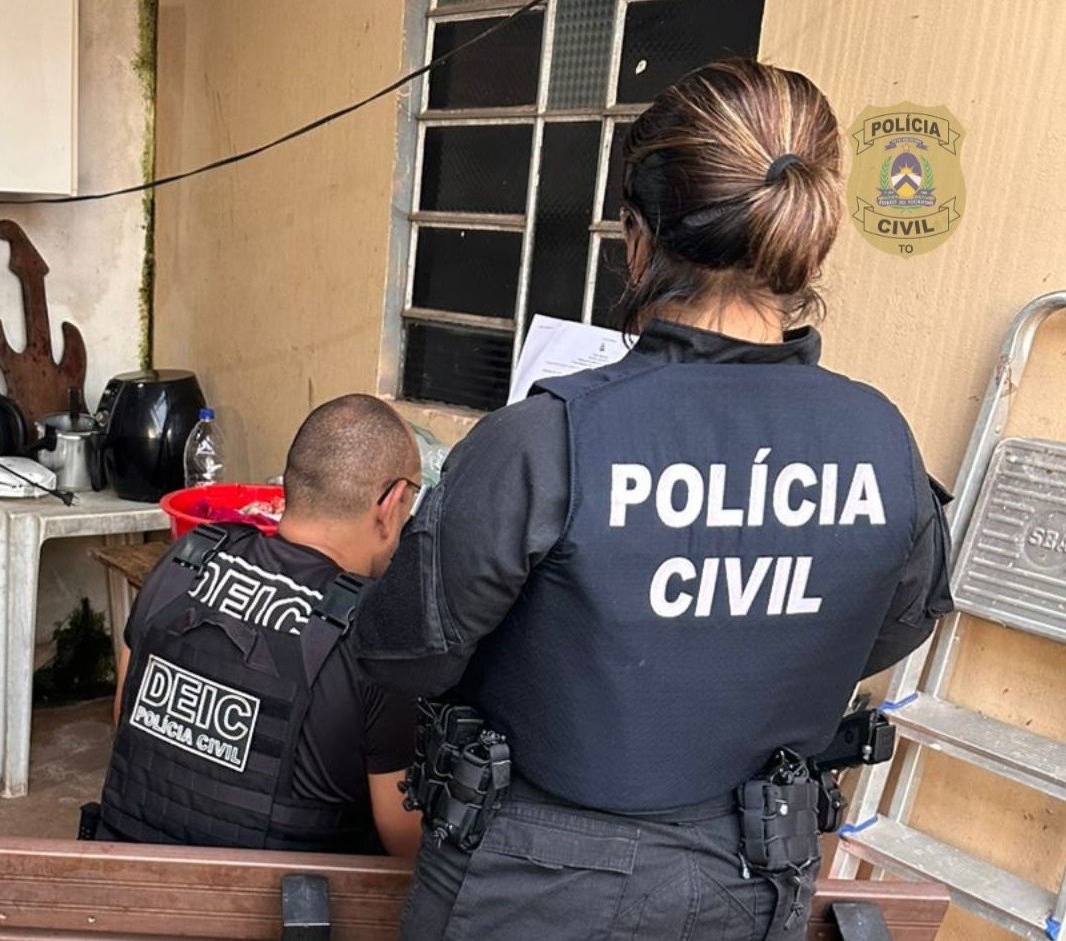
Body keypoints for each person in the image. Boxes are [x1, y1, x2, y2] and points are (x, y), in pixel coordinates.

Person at [351, 59, 953, 940]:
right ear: (802, 239)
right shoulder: (881, 443)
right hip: (751, 875)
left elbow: (401, 649)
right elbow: (894, 626)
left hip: (533, 881)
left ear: (635, 239)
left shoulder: (545, 440)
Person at [97, 394, 423, 858]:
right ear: (389, 504)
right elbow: (406, 847)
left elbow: (124, 716)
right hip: (279, 902)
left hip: (125, 885)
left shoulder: (186, 561)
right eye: (411, 502)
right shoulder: (376, 634)